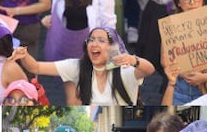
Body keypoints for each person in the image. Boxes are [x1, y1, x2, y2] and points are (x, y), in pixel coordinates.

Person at [13, 26, 153, 105]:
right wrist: (24, 55)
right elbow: (35, 67)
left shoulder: (124, 70)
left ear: (112, 48)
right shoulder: (77, 66)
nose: (94, 44)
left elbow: (149, 70)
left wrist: (134, 60)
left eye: (101, 40)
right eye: (91, 40)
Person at [156, 0, 207, 105]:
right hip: (179, 90)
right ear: (178, 2)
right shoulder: (170, 24)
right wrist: (185, 73)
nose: (192, 2)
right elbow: (164, 59)